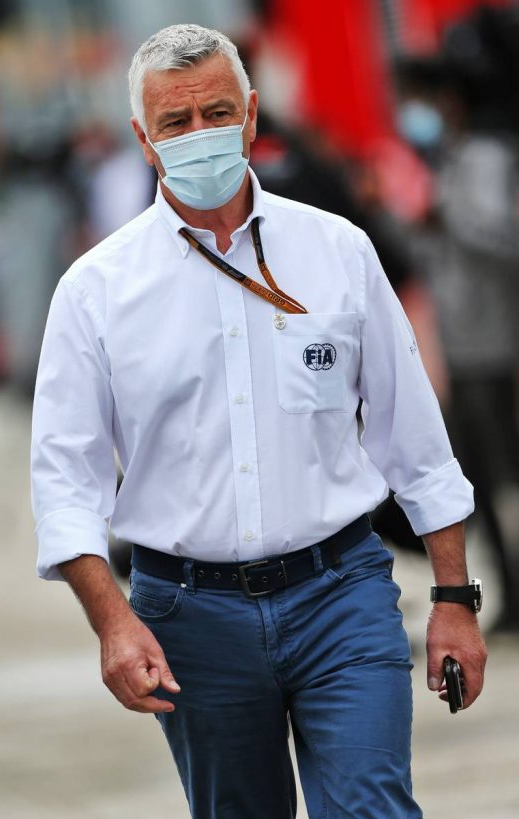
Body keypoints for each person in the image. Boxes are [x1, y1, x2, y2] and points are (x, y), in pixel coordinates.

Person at [30, 24, 487, 819]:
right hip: (189, 614)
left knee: (373, 808)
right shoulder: (95, 289)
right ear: (144, 138)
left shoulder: (336, 250)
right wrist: (113, 621)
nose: (200, 134)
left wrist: (454, 595)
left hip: (341, 593)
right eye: (176, 122)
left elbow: (413, 439)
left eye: (217, 111)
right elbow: (63, 478)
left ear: (249, 117)